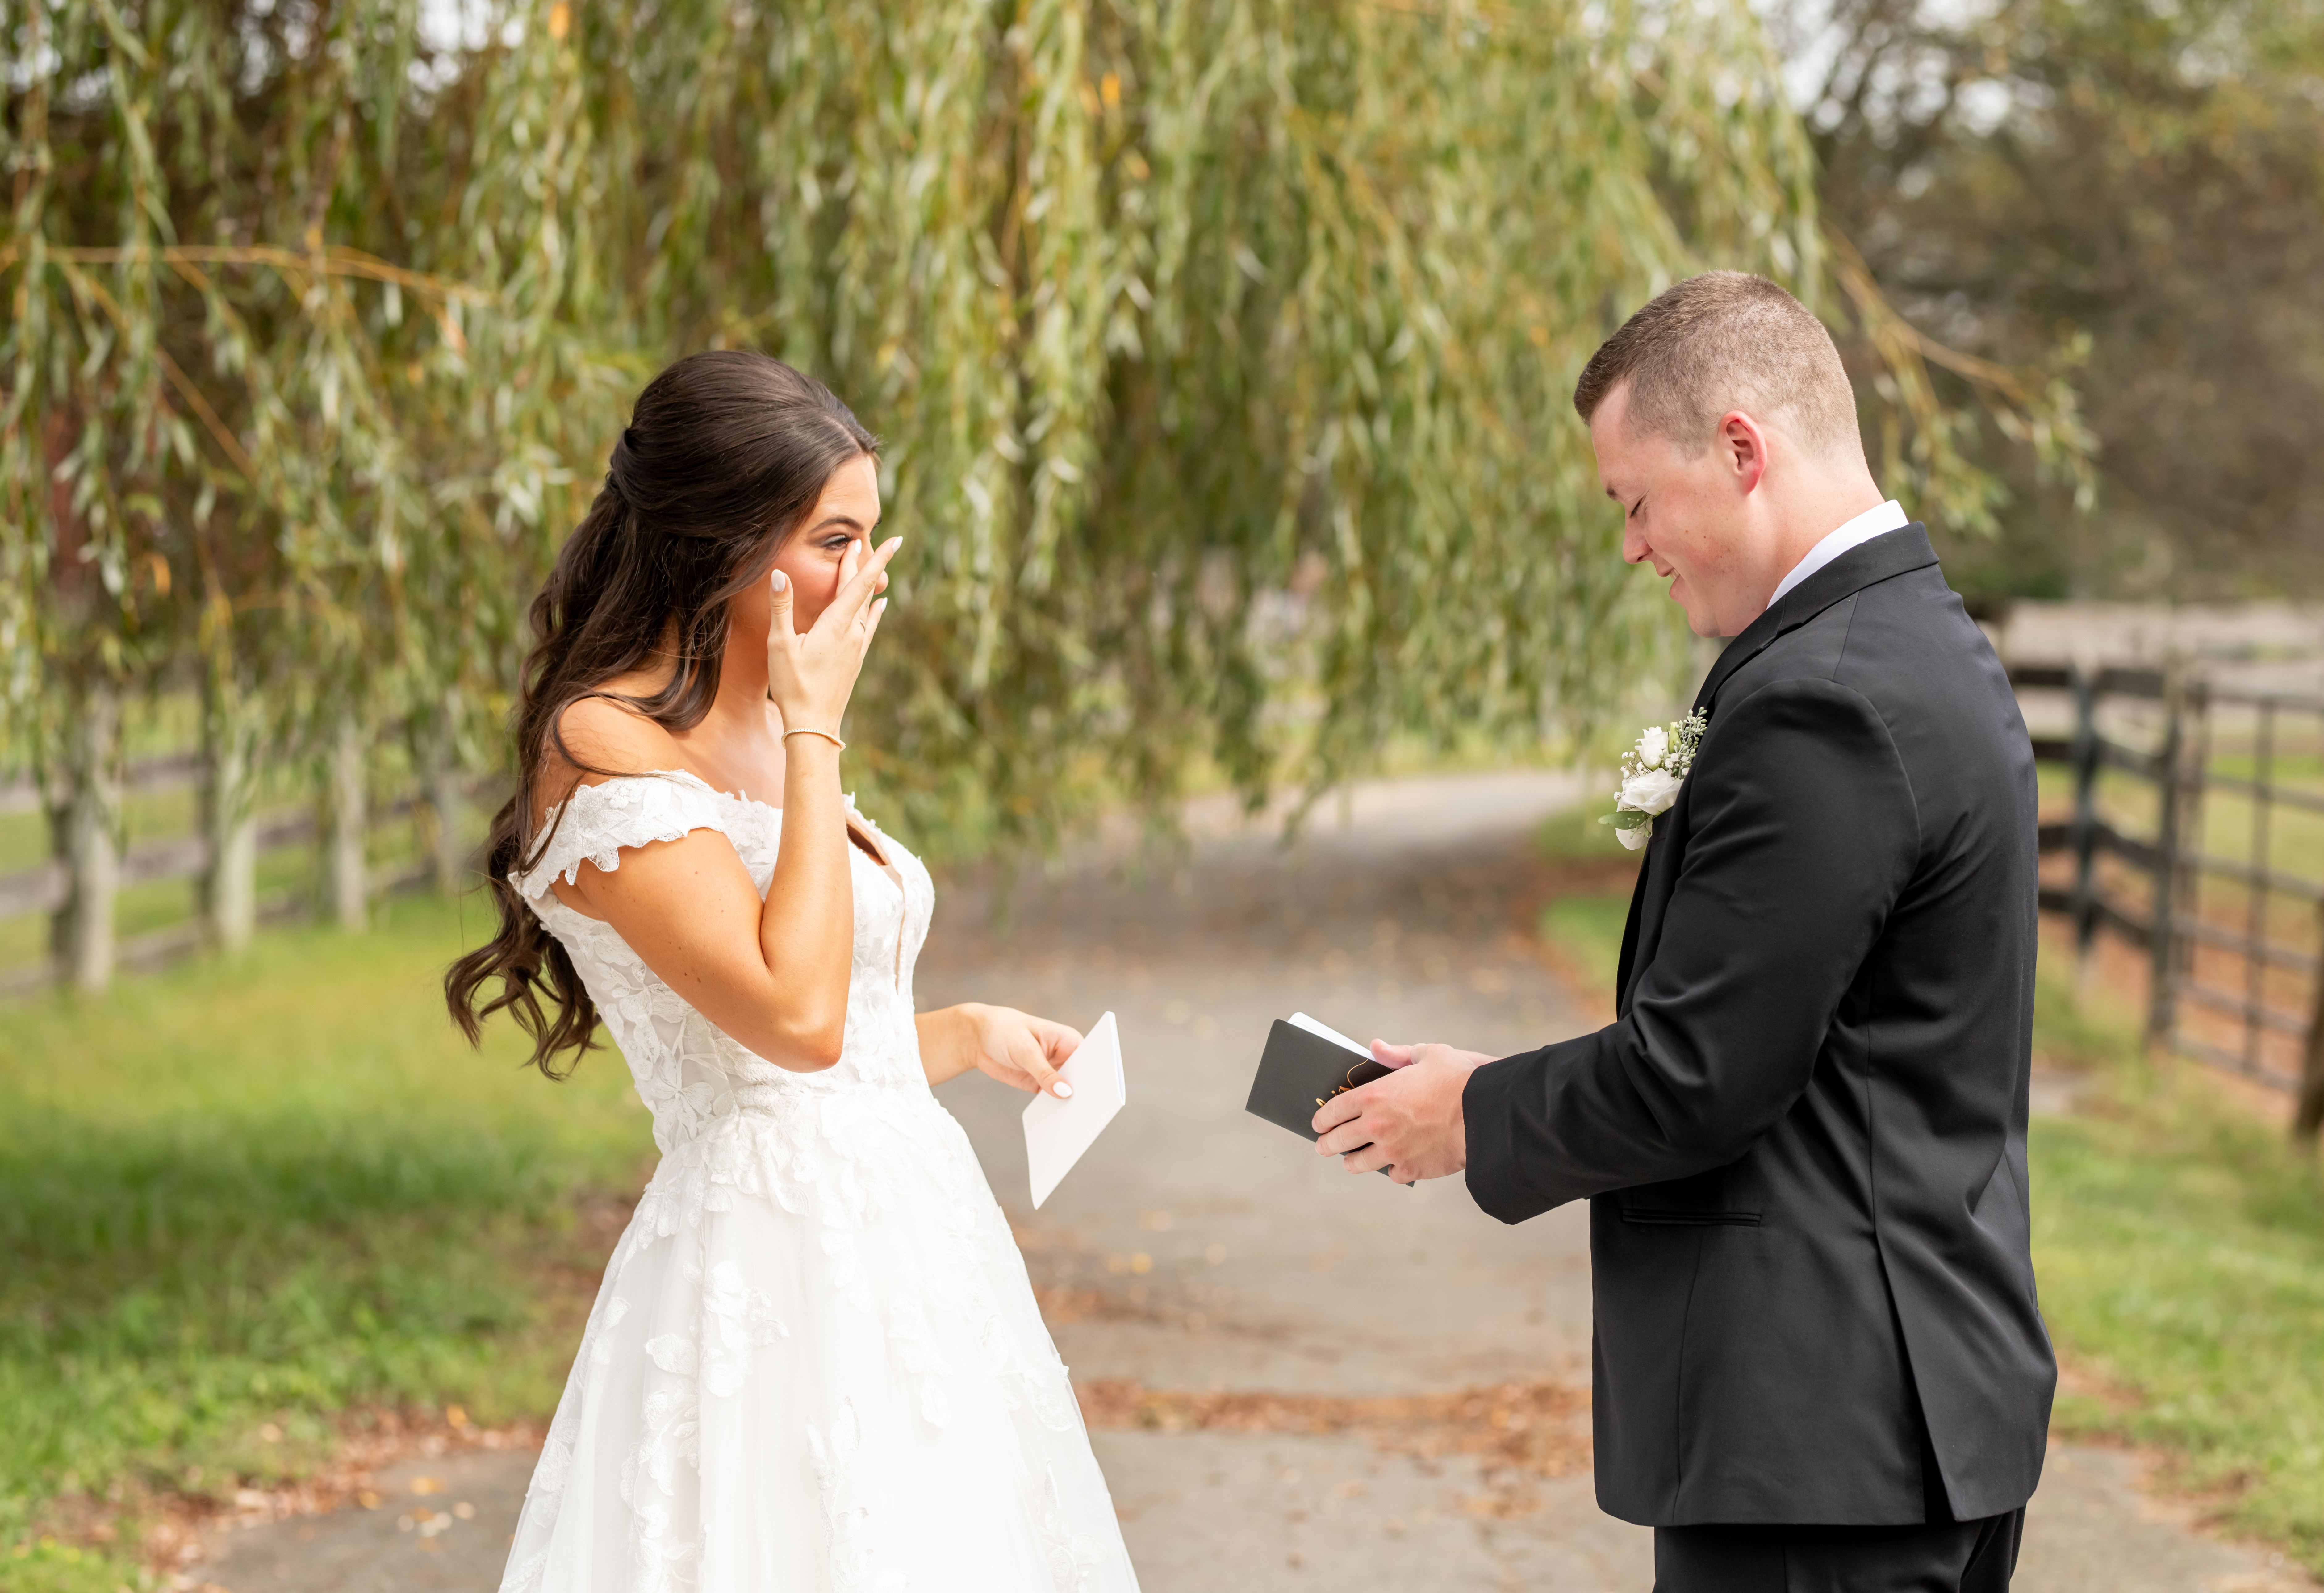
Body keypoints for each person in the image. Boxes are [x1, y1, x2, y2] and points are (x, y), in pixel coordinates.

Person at [1309, 273, 2058, 1591]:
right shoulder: (1913, 644)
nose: (1633, 546)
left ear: (1742, 450)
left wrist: (1471, 1110)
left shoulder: (1824, 698)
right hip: (1898, 1410)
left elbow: (1702, 1074)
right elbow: (1801, 1034)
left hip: (1823, 1443)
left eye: (1636, 500)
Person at [445, 351, 1139, 1592]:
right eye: (833, 538)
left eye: (869, 537)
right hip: (767, 1268)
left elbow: (838, 1043)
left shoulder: (767, 712)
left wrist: (969, 1030)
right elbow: (794, 1019)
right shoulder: (604, 743)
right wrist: (817, 728)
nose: (863, 576)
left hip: (914, 1245)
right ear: (721, 537)